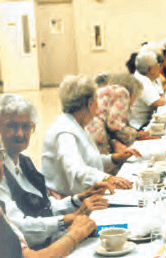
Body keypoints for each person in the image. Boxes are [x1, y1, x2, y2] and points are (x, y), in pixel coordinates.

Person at [0, 94, 113, 249]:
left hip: (51, 241)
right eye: (12, 126)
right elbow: (19, 226)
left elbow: (46, 206)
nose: (20, 133)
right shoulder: (1, 172)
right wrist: (68, 219)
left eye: (25, 126)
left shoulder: (25, 161)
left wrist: (79, 199)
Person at [42, 75, 135, 196]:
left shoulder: (76, 125)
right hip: (72, 204)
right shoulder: (65, 132)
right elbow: (76, 170)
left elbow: (89, 162)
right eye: (97, 100)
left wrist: (115, 158)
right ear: (90, 103)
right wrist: (107, 178)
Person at [86, 73, 153, 154]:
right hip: (97, 135)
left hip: (87, 134)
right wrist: (136, 135)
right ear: (132, 92)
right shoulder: (122, 93)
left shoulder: (107, 90)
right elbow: (114, 125)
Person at [130, 51, 166, 129]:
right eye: (158, 65)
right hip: (140, 126)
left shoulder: (149, 78)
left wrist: (163, 97)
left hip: (147, 121)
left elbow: (161, 94)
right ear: (151, 69)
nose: (160, 68)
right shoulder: (141, 81)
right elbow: (158, 102)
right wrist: (163, 98)